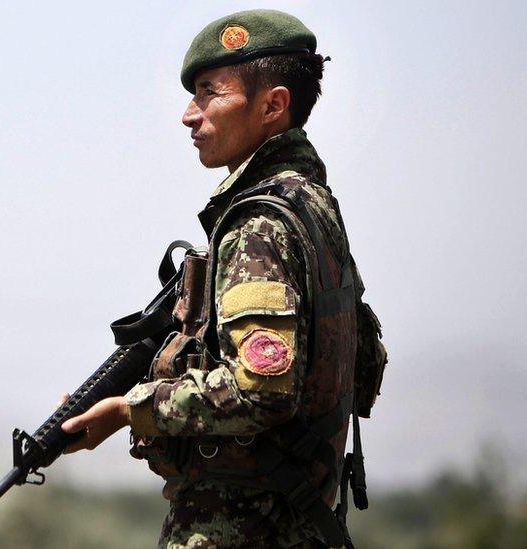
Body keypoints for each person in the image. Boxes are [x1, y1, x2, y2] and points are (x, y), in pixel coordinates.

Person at [59, 9, 380, 548]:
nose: (190, 114)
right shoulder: (314, 209)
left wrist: (131, 410)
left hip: (241, 530)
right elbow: (359, 363)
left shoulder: (260, 224)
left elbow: (261, 389)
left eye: (210, 92)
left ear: (273, 105)